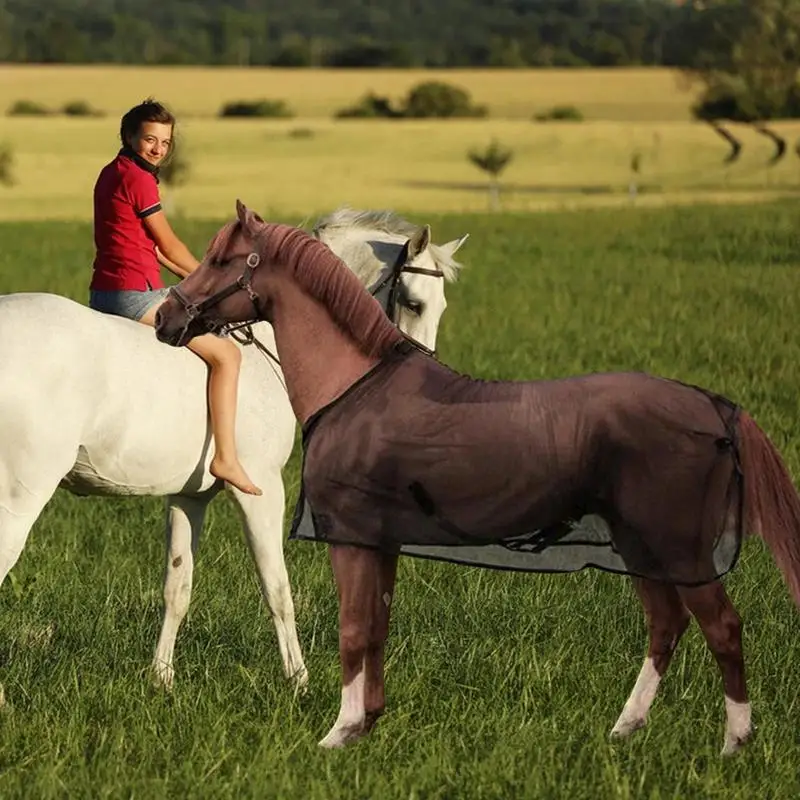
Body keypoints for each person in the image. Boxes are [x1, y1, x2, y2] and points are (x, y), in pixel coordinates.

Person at [89, 98, 262, 496]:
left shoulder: (112, 172)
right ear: (129, 137)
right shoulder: (139, 179)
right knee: (228, 355)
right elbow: (167, 242)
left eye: (165, 143)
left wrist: (204, 282)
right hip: (134, 296)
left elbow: (162, 253)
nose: (157, 149)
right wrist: (216, 281)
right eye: (149, 140)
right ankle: (226, 458)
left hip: (107, 291)